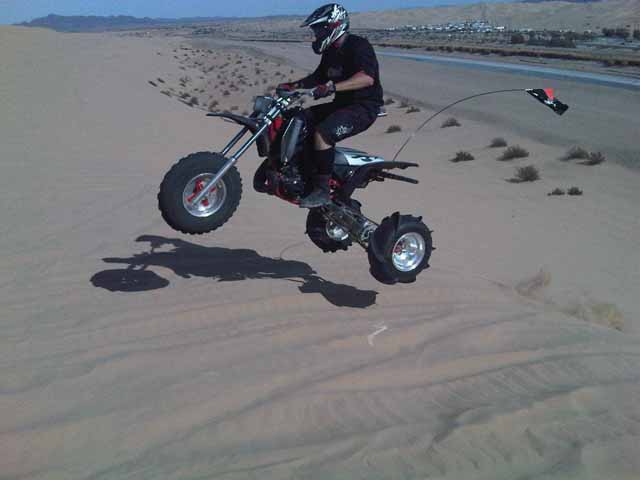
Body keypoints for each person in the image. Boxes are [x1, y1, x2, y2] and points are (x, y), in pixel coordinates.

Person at [278, 3, 384, 208]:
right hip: (342, 105)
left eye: (319, 29)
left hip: (363, 108)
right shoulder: (331, 52)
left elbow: (366, 78)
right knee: (300, 118)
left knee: (323, 133)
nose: (316, 34)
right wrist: (294, 85)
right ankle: (299, 171)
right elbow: (318, 77)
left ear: (333, 26)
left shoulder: (358, 46)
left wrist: (332, 87)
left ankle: (322, 189)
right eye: (315, 30)